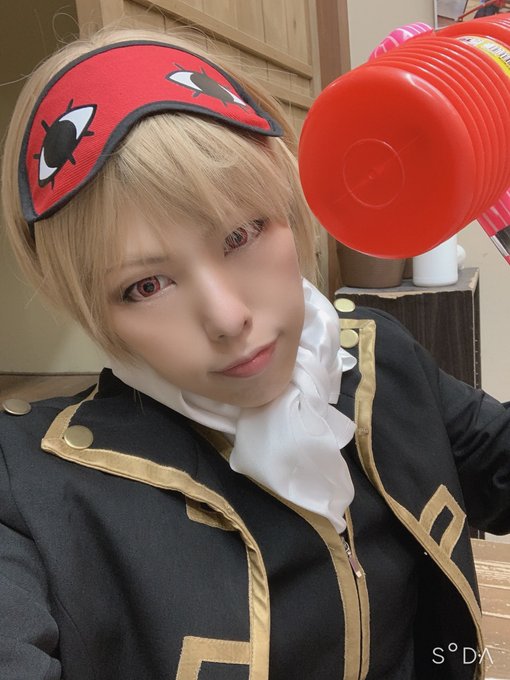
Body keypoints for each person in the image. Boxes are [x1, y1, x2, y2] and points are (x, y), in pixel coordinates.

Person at [0, 24, 509, 680]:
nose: (228, 317)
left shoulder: (377, 357)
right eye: (146, 285)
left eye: (241, 234)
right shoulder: (33, 487)